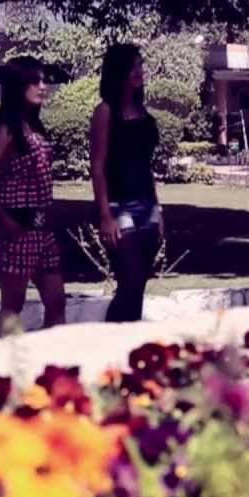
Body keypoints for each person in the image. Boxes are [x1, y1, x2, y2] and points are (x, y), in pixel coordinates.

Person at [0, 56, 66, 335]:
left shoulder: (34, 127)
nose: (43, 86)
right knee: (13, 304)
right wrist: (5, 221)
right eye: (34, 81)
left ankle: (52, 353)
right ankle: (5, 355)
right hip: (16, 227)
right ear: (18, 86)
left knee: (56, 300)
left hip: (42, 227)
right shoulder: (6, 131)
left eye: (44, 80)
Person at [89, 44, 163, 322]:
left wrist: (158, 209)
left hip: (147, 205)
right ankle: (112, 337)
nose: (139, 71)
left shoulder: (143, 114)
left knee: (139, 283)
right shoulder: (106, 112)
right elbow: (97, 167)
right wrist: (104, 215)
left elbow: (146, 166)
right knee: (129, 281)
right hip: (119, 207)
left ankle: (131, 339)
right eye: (133, 66)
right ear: (119, 71)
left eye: (140, 65)